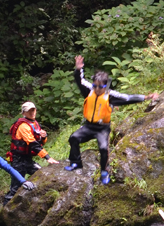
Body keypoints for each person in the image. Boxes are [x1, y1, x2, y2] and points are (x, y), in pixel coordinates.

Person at [65, 55, 158, 184]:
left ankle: (104, 171)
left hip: (102, 128)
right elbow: (79, 80)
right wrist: (78, 69)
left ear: (105, 86)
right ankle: (76, 163)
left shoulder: (110, 96)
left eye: (100, 87)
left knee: (103, 148)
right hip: (88, 126)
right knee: (73, 138)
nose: (97, 89)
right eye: (95, 86)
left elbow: (127, 98)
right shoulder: (89, 91)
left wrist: (146, 97)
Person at [4, 101, 59, 203]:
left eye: (33, 110)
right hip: (18, 160)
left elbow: (39, 142)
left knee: (41, 173)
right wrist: (48, 157)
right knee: (15, 188)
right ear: (24, 113)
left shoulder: (34, 124)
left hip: (28, 160)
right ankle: (4, 211)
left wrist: (44, 137)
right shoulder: (23, 126)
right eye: (29, 111)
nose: (32, 112)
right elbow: (33, 144)